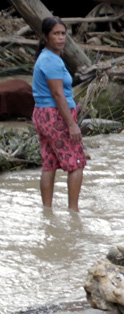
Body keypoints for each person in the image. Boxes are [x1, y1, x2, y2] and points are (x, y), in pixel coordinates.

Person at [32, 16, 85, 212]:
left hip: (43, 116)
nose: (61, 38)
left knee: (49, 163)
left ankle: (47, 211)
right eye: (56, 34)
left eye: (63, 33)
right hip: (56, 116)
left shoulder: (46, 58)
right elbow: (57, 94)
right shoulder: (51, 61)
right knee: (77, 163)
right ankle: (74, 212)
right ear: (45, 37)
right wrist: (71, 124)